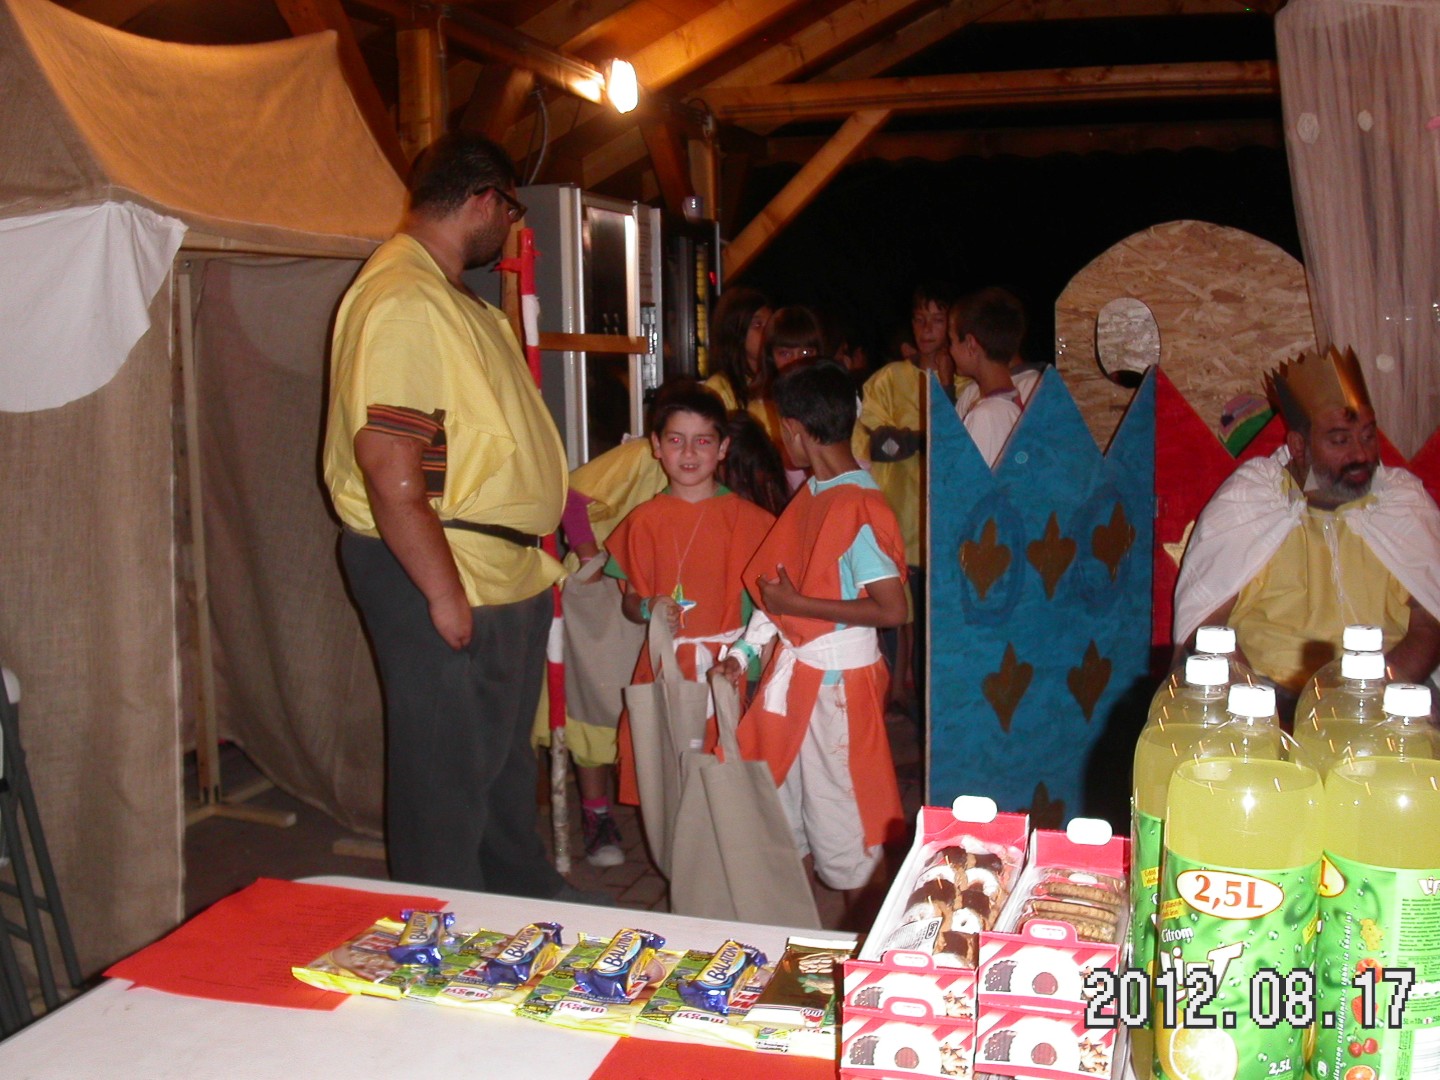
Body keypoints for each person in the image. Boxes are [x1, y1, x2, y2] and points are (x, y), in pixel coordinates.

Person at [322, 133, 596, 901]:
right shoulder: (405, 298)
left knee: (498, 769)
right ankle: (441, 921)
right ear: (483, 199)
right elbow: (390, 459)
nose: (510, 225)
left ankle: (517, 897)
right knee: (444, 779)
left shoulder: (444, 295)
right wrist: (441, 592)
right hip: (445, 562)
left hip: (495, 567)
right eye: (511, 209)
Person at [717, 362, 908, 919]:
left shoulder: (857, 505)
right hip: (800, 680)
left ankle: (865, 939)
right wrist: (744, 653)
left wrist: (800, 606)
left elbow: (893, 608)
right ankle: (797, 931)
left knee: (848, 822)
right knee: (788, 808)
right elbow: (776, 587)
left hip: (839, 691)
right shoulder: (816, 494)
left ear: (796, 430)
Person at [1174, 345, 1440, 707]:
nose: (1361, 454)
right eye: (1340, 440)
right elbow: (1204, 628)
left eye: (1367, 435)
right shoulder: (1252, 499)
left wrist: (1368, 701)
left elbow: (1431, 624)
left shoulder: (1401, 501)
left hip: (1389, 694)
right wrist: (1261, 709)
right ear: (1299, 446)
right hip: (1264, 698)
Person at [605, 383, 778, 809]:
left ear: (723, 448)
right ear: (656, 446)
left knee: (729, 782)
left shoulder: (751, 521)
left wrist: (751, 668)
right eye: (675, 440)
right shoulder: (643, 521)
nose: (688, 453)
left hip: (729, 668)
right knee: (669, 784)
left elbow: (767, 612)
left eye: (702, 441)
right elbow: (630, 602)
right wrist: (648, 606)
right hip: (666, 666)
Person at [949, 287, 1028, 468]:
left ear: (970, 344)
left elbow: (968, 482)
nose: (950, 350)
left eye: (951, 341)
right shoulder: (1013, 402)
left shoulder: (986, 417)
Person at [703, 286, 772, 413]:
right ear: (735, 331)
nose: (767, 332)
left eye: (770, 324)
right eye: (758, 325)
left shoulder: (776, 381)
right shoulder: (719, 389)